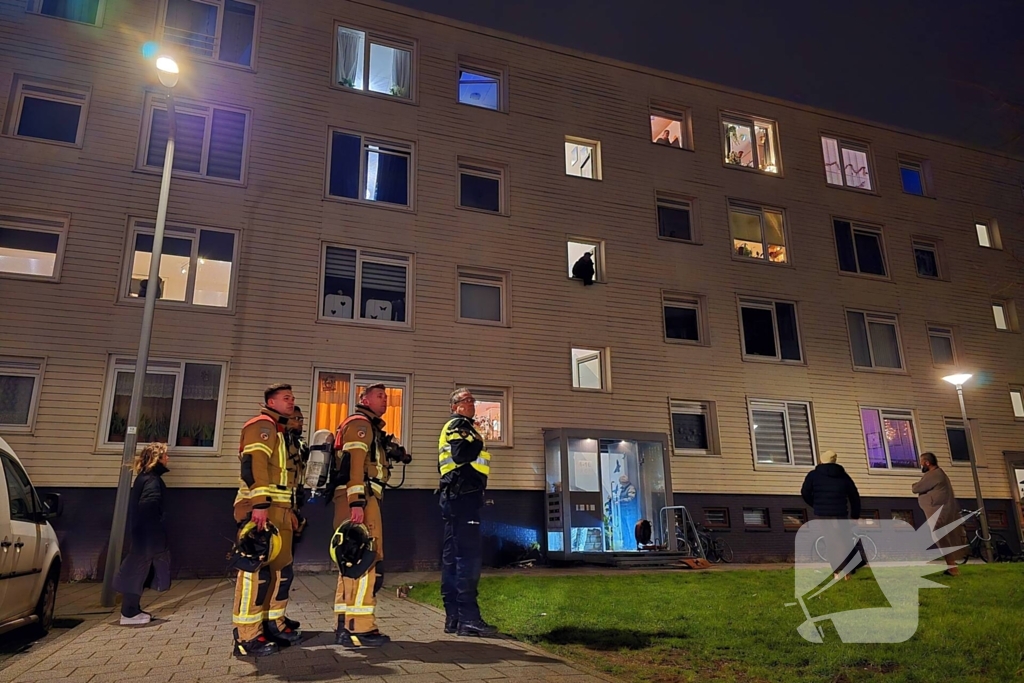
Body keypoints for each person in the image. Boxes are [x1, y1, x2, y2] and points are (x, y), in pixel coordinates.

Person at [231, 383, 303, 657]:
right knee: (255, 575)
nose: (291, 402)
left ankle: (272, 623)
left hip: (281, 510)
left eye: (292, 398)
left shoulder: (281, 431)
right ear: (271, 402)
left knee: (281, 571)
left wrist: (292, 511)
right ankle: (247, 636)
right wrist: (259, 504)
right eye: (286, 398)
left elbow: (285, 476)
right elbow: (254, 465)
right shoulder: (261, 425)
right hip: (262, 509)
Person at [331, 384, 394, 647]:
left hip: (358, 497)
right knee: (365, 559)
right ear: (364, 399)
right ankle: (360, 628)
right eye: (380, 396)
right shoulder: (361, 424)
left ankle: (344, 626)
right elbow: (355, 465)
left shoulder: (367, 426)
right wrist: (357, 501)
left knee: (350, 560)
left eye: (386, 397)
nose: (385, 401)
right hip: (361, 498)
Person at [438, 388, 497, 637]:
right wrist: (477, 440)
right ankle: (468, 619)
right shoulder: (459, 425)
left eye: (473, 400)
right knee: (468, 559)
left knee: (453, 558)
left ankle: (453, 618)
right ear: (455, 406)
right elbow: (461, 454)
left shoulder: (462, 426)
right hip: (463, 497)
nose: (472, 404)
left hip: (455, 497)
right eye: (467, 400)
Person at [114, 442, 171, 626]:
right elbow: (149, 508)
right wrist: (156, 535)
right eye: (165, 456)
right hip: (148, 537)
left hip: (143, 535)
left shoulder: (144, 478)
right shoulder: (152, 481)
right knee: (137, 571)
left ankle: (132, 610)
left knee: (139, 571)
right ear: (157, 459)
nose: (168, 459)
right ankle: (129, 613)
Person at [801, 450, 862, 579]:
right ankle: (848, 571)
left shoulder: (813, 475)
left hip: (823, 514)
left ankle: (836, 572)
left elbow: (805, 492)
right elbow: (854, 495)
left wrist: (816, 504)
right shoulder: (843, 476)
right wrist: (855, 515)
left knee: (831, 542)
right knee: (844, 541)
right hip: (840, 513)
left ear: (821, 460)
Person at [913, 453, 969, 576]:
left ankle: (953, 568)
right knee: (941, 537)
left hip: (937, 511)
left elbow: (917, 488)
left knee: (941, 537)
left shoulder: (934, 475)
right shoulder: (940, 474)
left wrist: (915, 486)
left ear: (927, 463)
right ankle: (952, 567)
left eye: (922, 462)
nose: (921, 465)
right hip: (939, 510)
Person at [616, 474, 639, 550]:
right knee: (625, 529)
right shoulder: (624, 489)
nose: (620, 484)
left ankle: (633, 545)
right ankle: (627, 545)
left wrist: (620, 501)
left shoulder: (630, 488)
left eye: (621, 482)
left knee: (631, 529)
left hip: (630, 513)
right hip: (624, 512)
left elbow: (631, 498)